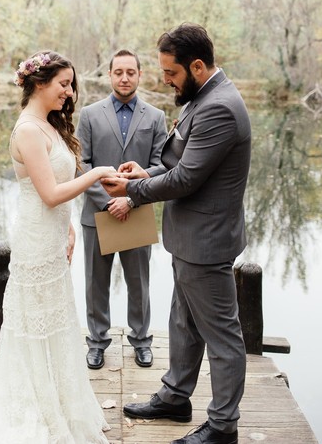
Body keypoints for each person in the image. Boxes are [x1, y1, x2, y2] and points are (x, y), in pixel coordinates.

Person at [101, 23, 251, 444]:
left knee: (222, 336)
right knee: (183, 323)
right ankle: (174, 397)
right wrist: (145, 171)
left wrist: (132, 190)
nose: (165, 79)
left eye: (171, 72)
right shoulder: (201, 97)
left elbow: (185, 179)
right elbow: (179, 163)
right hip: (190, 239)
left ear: (198, 66)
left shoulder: (219, 107)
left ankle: (223, 427)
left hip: (207, 242)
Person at [0, 51, 114, 444]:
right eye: (63, 84)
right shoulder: (27, 131)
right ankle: (35, 411)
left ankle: (63, 404)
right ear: (38, 83)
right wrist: (97, 173)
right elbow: (48, 193)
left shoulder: (48, 126)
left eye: (70, 84)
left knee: (57, 322)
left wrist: (68, 227)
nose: (69, 92)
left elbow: (55, 189)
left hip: (52, 238)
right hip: (33, 241)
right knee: (34, 325)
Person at [77, 49, 168, 370]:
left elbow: (162, 166)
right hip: (97, 214)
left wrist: (130, 198)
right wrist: (108, 201)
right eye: (119, 72)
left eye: (131, 72)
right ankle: (97, 342)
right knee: (95, 284)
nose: (125, 78)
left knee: (139, 283)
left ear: (140, 75)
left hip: (137, 210)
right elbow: (81, 165)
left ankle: (141, 341)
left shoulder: (156, 117)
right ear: (110, 75)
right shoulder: (89, 114)